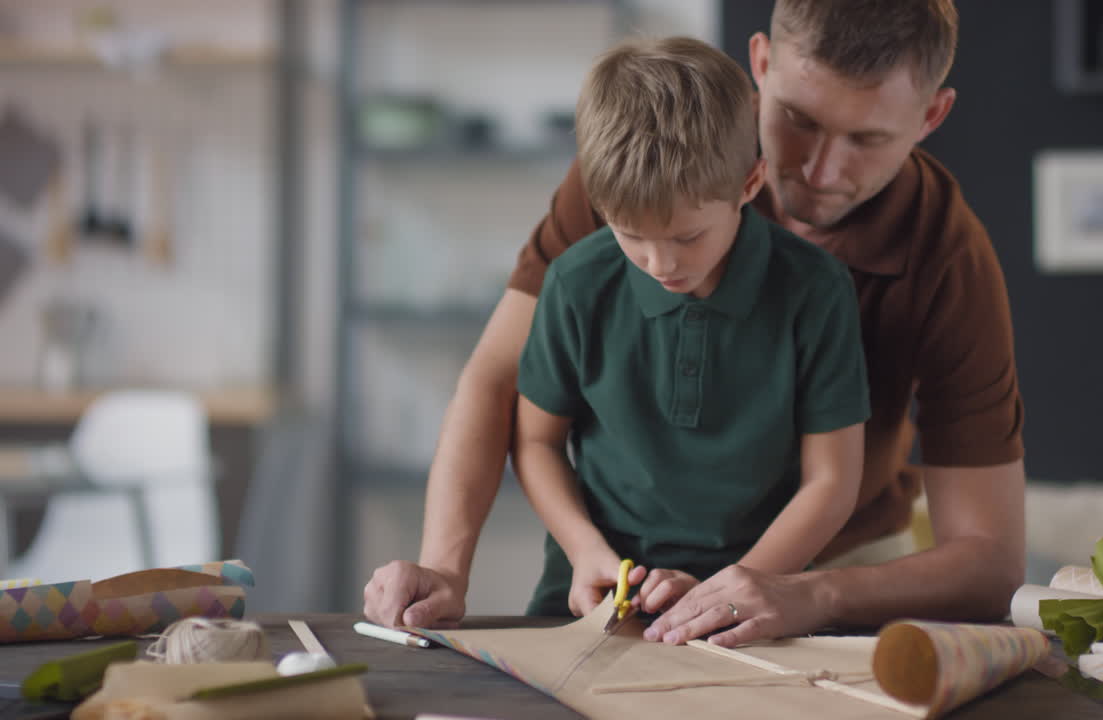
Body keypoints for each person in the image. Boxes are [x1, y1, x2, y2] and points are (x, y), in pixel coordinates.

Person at [364, 0, 1026, 648]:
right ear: (761, 63)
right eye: (796, 119)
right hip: (626, 579)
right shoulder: (643, 173)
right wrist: (446, 570)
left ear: (931, 116)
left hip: (841, 566)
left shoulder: (948, 258)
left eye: (868, 138)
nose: (820, 171)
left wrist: (808, 592)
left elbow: (989, 562)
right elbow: (495, 382)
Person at [514, 36, 870, 619]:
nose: (661, 265)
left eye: (687, 237)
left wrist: (736, 588)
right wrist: (585, 551)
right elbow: (535, 442)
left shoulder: (816, 290)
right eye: (631, 235)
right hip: (592, 595)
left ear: (749, 185)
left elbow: (831, 483)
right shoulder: (576, 283)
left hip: (756, 597)